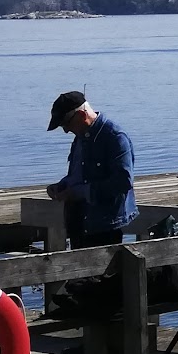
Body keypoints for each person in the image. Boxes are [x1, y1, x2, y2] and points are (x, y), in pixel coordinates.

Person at [44, 91, 137, 248]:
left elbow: (123, 182)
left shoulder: (115, 137)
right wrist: (62, 186)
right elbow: (77, 175)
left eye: (66, 124)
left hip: (104, 226)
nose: (66, 130)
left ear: (81, 114)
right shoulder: (79, 138)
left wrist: (80, 192)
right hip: (78, 223)